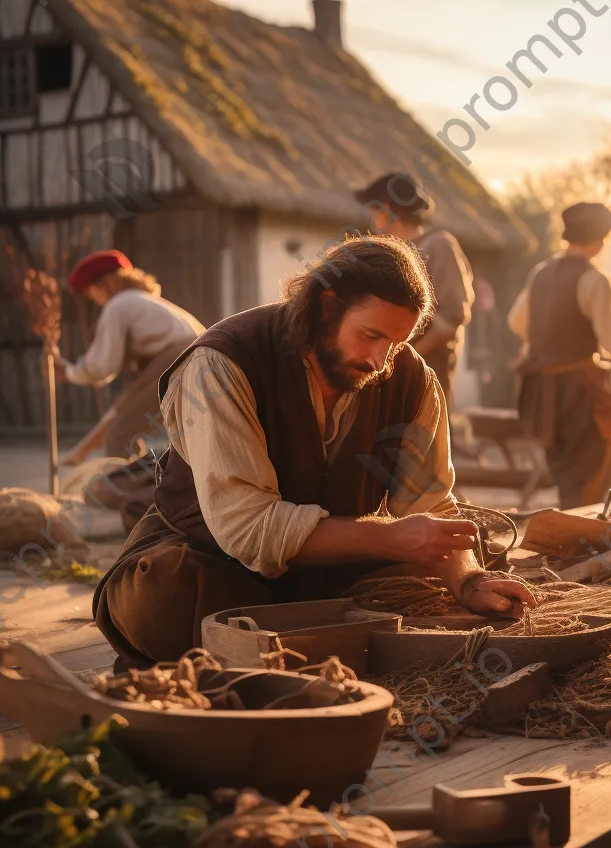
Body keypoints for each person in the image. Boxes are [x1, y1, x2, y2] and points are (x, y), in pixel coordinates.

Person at [92, 236, 535, 665]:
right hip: (213, 563)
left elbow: (432, 506)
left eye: (396, 343)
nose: (381, 361)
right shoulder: (223, 364)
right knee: (167, 600)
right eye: (370, 335)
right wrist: (391, 537)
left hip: (336, 566)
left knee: (428, 581)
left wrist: (469, 580)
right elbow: (248, 528)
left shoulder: (412, 380)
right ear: (327, 305)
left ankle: (317, 624)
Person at [507, 202, 611, 509]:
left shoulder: (540, 273)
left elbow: (517, 322)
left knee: (566, 470)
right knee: (594, 470)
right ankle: (582, 537)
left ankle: (570, 532)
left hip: (541, 392)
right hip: (579, 391)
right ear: (600, 238)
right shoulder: (594, 279)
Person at [57, 250, 204, 465]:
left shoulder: (119, 306)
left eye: (91, 292)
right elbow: (121, 409)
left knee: (121, 437)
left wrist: (68, 372)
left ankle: (129, 496)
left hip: (175, 359)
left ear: (106, 283)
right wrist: (81, 451)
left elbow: (100, 366)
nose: (94, 300)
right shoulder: (146, 303)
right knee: (130, 423)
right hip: (201, 357)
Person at [356, 173, 474, 404]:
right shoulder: (387, 253)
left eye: (374, 213)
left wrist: (399, 357)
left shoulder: (438, 245)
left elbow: (452, 316)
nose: (371, 220)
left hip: (423, 381)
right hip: (386, 379)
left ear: (387, 211)